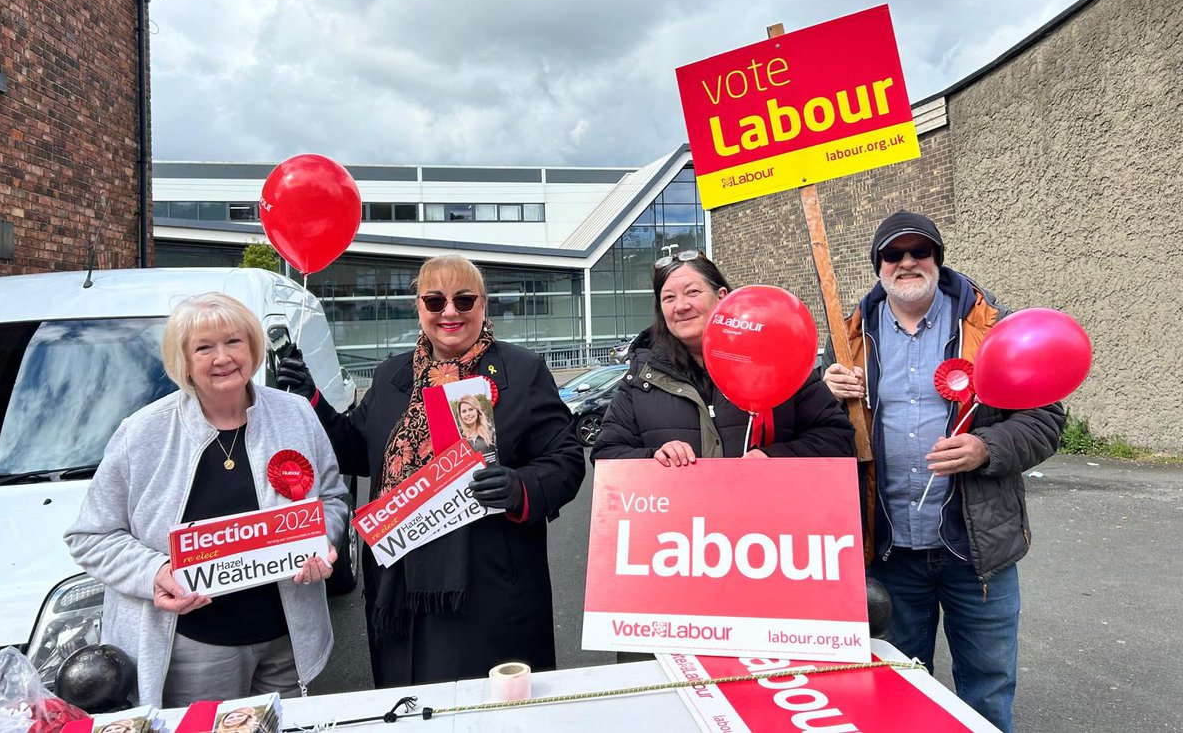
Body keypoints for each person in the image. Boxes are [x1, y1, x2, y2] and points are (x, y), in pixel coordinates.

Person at [275, 254, 584, 687]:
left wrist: (520, 487)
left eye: (464, 299)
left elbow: (566, 459)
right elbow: (358, 453)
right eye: (436, 301)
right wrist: (312, 401)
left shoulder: (521, 370)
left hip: (489, 582)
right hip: (400, 584)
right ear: (418, 307)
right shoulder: (390, 375)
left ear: (483, 304)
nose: (450, 312)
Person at [822, 211, 1064, 733]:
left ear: (938, 259)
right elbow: (822, 435)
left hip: (976, 554)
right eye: (894, 254)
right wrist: (828, 394)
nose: (908, 262)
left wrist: (986, 447)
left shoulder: (991, 326)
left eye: (920, 252)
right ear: (878, 266)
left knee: (988, 688)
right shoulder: (848, 339)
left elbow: (1045, 417)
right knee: (898, 690)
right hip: (888, 552)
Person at [65, 293, 348, 708]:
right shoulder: (142, 433)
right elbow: (90, 536)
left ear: (252, 346)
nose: (223, 358)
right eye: (204, 347)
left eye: (234, 341)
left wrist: (323, 539)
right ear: (184, 361)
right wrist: (155, 571)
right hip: (194, 651)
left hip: (287, 642)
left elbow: (333, 499)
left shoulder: (296, 413)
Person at [592, 250, 855, 465]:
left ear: (722, 297)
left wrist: (774, 457)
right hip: (684, 527)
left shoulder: (777, 361)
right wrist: (654, 458)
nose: (681, 306)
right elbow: (606, 454)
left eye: (692, 292)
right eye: (668, 298)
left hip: (768, 524)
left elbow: (837, 438)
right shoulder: (641, 377)